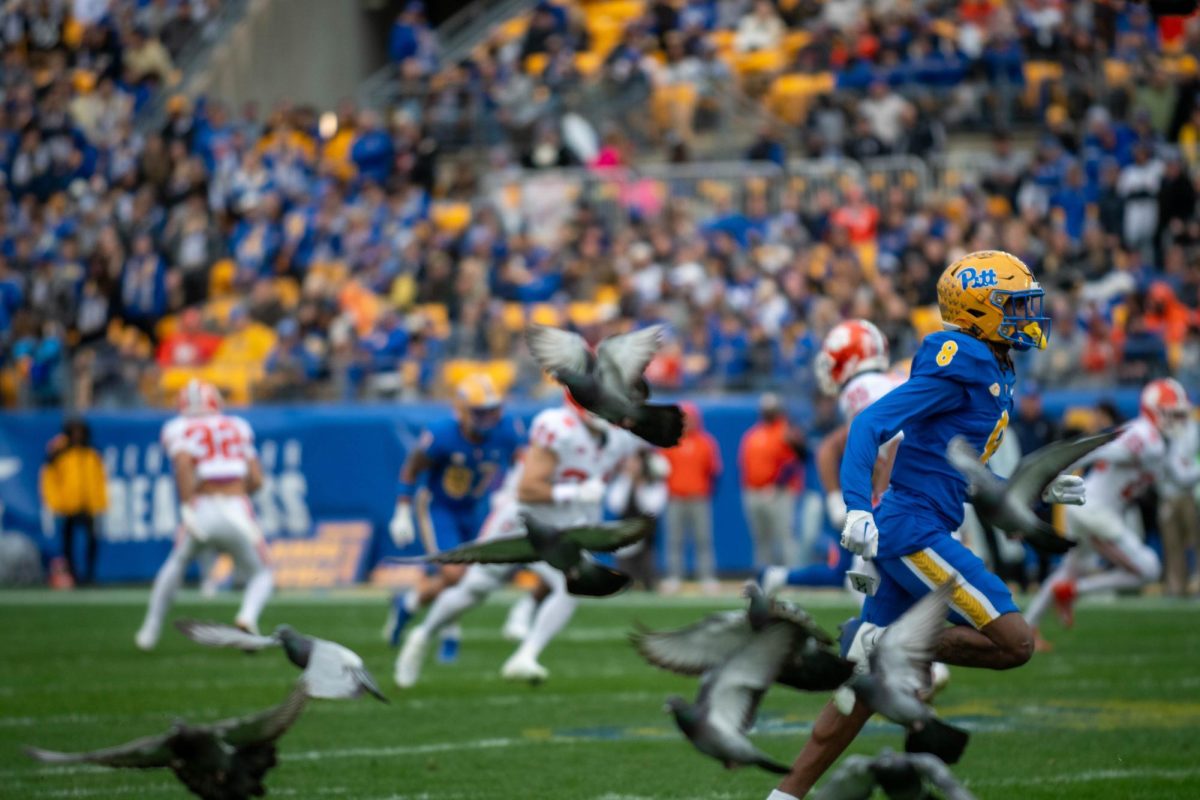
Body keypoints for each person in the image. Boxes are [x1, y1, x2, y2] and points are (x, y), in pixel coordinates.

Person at [767, 251, 1086, 800]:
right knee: (1014, 642)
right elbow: (871, 423)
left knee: (865, 691)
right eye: (1012, 305)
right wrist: (856, 508)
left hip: (922, 520)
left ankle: (784, 796)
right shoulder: (961, 355)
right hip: (913, 527)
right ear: (977, 310)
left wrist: (1032, 489)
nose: (1024, 315)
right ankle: (886, 641)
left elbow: (960, 468)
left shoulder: (994, 363)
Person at [393, 395, 643, 687]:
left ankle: (525, 656)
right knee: (475, 588)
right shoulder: (558, 427)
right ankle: (423, 635)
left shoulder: (619, 438)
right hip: (524, 520)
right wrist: (574, 494)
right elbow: (528, 489)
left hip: (563, 525)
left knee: (574, 585)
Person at [1026, 379, 1197, 646]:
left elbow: (1182, 477)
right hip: (1096, 514)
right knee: (1149, 569)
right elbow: (1094, 449)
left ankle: (1028, 628)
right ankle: (1074, 592)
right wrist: (1056, 471)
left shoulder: (1161, 442)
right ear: (1156, 411)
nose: (1178, 420)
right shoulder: (1143, 436)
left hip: (1094, 511)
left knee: (1069, 572)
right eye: (1173, 413)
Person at [383, 373, 524, 663]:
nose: (488, 418)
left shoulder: (507, 429)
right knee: (454, 574)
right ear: (462, 411)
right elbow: (412, 468)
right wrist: (402, 510)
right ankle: (450, 635)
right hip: (438, 508)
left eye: (491, 410)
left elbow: (522, 462)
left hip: (475, 508)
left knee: (466, 578)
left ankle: (407, 603)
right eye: (479, 412)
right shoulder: (443, 433)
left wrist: (511, 489)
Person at [759, 319, 900, 595]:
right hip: (914, 497)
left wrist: (882, 502)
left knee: (862, 579)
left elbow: (898, 443)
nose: (830, 366)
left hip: (911, 502)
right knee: (863, 578)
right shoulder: (885, 383)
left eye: (835, 357)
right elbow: (831, 448)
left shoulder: (865, 387)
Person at [136, 380, 272, 650]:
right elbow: (256, 479)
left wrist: (187, 505)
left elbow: (184, 464)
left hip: (203, 505)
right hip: (236, 507)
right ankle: (247, 617)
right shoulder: (237, 425)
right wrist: (236, 490)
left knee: (176, 564)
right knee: (262, 573)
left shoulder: (178, 427)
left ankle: (149, 630)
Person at [660, 402, 722, 595]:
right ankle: (674, 577)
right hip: (675, 497)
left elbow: (714, 471)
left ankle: (706, 577)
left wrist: (705, 490)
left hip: (698, 497)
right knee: (674, 540)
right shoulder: (670, 440)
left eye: (690, 418)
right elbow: (660, 469)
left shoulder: (706, 442)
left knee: (702, 538)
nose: (688, 423)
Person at [39, 420, 108, 586]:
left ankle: (90, 574)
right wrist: (55, 502)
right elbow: (49, 480)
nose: (78, 436)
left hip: (88, 506)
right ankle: (72, 575)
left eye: (81, 432)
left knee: (91, 541)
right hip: (67, 506)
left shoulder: (92, 453)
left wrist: (100, 502)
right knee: (67, 543)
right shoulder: (59, 455)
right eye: (74, 432)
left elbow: (99, 479)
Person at [738, 393, 801, 569]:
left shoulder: (785, 431)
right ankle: (764, 577)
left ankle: (790, 577)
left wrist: (777, 485)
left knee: (784, 537)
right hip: (754, 492)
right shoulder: (753, 434)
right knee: (761, 540)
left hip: (778, 493)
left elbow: (793, 463)